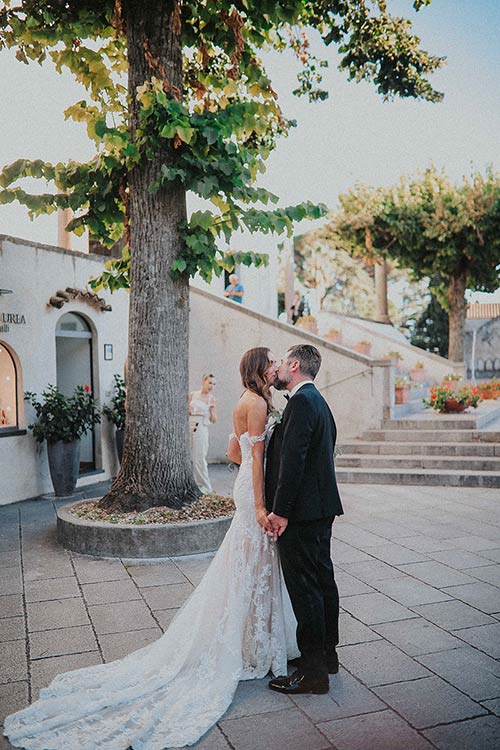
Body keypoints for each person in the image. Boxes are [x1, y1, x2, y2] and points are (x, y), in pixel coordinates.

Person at [4, 347, 299, 750]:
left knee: (246, 564)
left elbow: (235, 452)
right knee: (252, 564)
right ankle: (257, 643)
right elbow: (255, 458)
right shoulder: (259, 405)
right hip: (256, 492)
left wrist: (251, 473)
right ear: (260, 369)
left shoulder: (245, 401)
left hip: (246, 487)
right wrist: (263, 505)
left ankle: (254, 640)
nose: (275, 365)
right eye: (270, 361)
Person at [265, 343, 344, 695]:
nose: (279, 367)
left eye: (282, 362)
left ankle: (313, 674)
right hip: (321, 508)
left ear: (295, 365)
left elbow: (293, 462)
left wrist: (280, 511)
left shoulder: (300, 403)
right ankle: (327, 655)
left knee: (306, 588)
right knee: (323, 580)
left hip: (301, 513)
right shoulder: (319, 402)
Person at [189, 373, 217, 494]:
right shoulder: (192, 395)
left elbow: (214, 419)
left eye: (214, 384)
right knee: (189, 456)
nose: (211, 386)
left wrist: (211, 409)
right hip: (189, 425)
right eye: (210, 382)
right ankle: (192, 482)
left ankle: (205, 486)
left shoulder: (211, 399)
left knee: (199, 457)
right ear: (203, 381)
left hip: (201, 427)